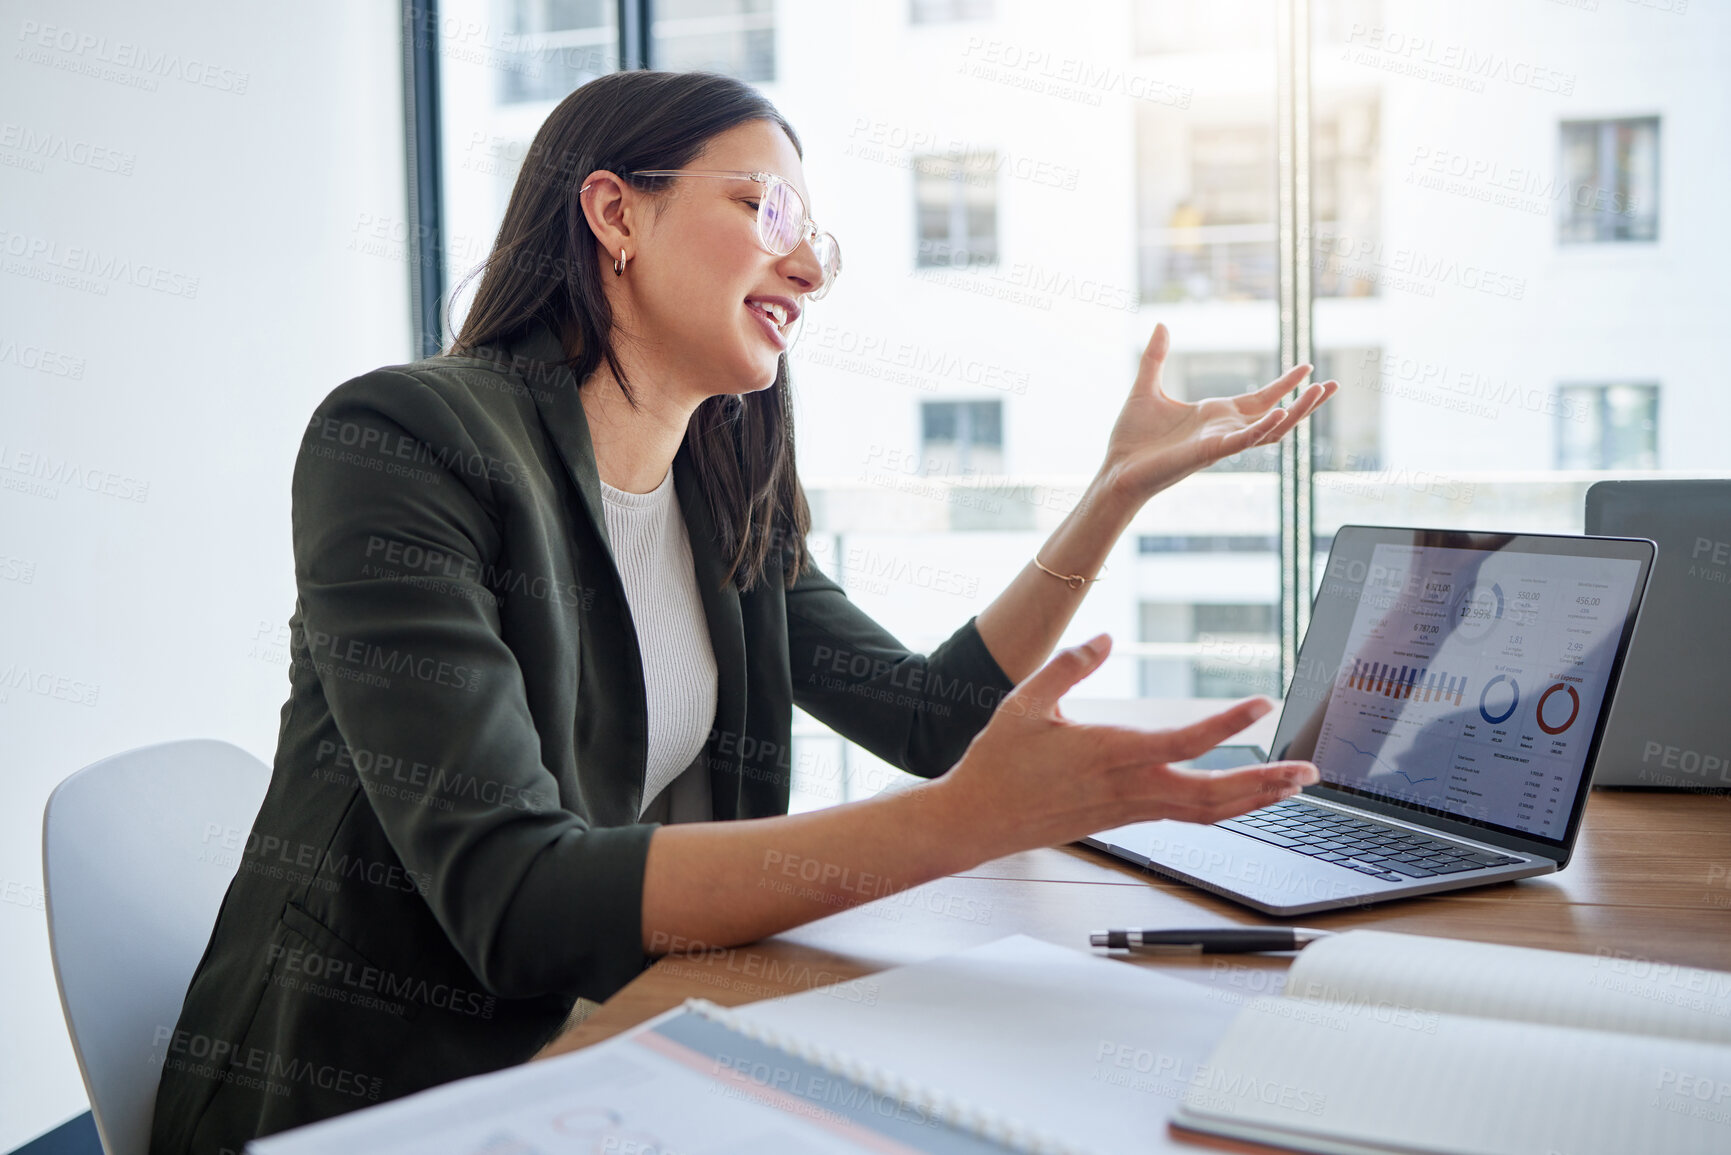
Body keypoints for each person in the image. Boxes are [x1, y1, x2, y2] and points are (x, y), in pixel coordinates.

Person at [148, 69, 1334, 1155]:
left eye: (817, 239)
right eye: (770, 213)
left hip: (607, 1047)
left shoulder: (722, 499)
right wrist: (958, 827)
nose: (811, 271)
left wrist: (1113, 492)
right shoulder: (405, 443)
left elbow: (931, 718)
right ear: (615, 214)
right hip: (376, 1098)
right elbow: (515, 898)